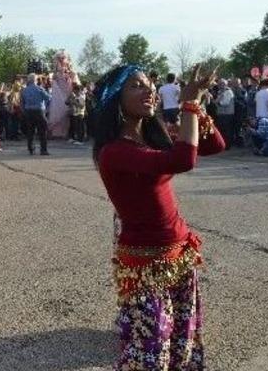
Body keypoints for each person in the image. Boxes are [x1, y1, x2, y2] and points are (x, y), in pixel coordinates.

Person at [92, 63, 223, 370]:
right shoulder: (114, 152)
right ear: (115, 100)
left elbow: (215, 145)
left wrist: (198, 106)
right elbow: (184, 160)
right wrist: (188, 105)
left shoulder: (154, 138)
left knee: (182, 341)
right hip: (145, 264)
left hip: (180, 253)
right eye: (136, 85)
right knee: (149, 352)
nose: (149, 89)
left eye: (149, 83)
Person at [20, 73, 51, 155]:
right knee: (42, 131)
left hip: (28, 111)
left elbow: (22, 102)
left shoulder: (24, 90)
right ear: (36, 80)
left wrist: (24, 111)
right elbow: (48, 98)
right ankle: (43, 150)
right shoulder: (40, 89)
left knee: (30, 131)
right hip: (39, 111)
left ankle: (31, 148)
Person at [214, 79, 236, 149]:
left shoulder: (228, 92)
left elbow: (225, 103)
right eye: (219, 84)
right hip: (221, 114)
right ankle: (223, 145)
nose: (220, 85)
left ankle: (228, 145)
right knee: (222, 130)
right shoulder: (220, 92)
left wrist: (217, 102)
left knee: (227, 130)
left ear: (226, 84)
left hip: (227, 114)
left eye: (222, 84)